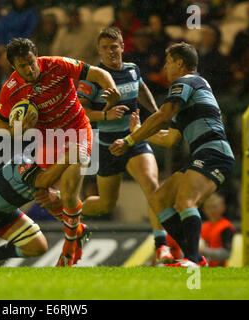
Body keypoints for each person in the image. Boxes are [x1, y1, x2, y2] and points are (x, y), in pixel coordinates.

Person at [0, 37, 120, 266]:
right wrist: (18, 129)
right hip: (47, 140)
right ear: (13, 66)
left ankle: (69, 251)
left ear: (36, 55)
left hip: (77, 131)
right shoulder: (10, 90)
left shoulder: (57, 64)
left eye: (31, 62)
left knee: (70, 192)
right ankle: (77, 228)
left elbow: (98, 74)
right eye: (23, 66)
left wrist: (113, 91)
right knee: (41, 192)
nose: (30, 68)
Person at [111, 42, 235, 267]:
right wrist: (139, 132)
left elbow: (162, 116)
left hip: (214, 151)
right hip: (204, 153)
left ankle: (191, 259)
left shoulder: (186, 81)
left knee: (185, 200)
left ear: (180, 63)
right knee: (159, 200)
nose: (165, 68)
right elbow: (169, 138)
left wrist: (130, 140)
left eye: (168, 62)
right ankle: (195, 257)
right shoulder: (190, 95)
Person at [76, 27, 173, 264]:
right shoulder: (93, 77)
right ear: (99, 51)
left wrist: (156, 112)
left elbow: (141, 88)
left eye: (114, 47)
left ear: (122, 46)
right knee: (105, 204)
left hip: (134, 139)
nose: (110, 52)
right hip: (107, 146)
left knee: (152, 186)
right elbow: (81, 113)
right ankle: (70, 209)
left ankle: (161, 247)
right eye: (105, 48)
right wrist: (106, 116)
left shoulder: (132, 69)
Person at [199, 192, 235, 267]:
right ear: (204, 209)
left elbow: (226, 254)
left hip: (219, 267)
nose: (211, 211)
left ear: (223, 207)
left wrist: (203, 250)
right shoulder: (202, 227)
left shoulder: (226, 227)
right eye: (208, 207)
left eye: (214, 207)